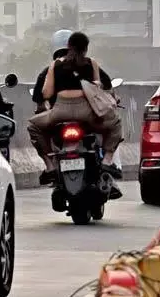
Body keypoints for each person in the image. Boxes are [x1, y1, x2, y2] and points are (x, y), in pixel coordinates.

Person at [27, 31, 124, 187]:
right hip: (87, 115)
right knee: (116, 123)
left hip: (60, 113)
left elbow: (46, 93)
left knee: (33, 126)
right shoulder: (91, 63)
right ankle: (107, 160)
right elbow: (99, 89)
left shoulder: (55, 65)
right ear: (86, 48)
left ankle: (50, 165)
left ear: (68, 46)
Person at [33, 29, 114, 112]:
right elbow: (105, 84)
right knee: (114, 122)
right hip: (87, 113)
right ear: (84, 48)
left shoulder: (53, 66)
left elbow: (42, 94)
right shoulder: (91, 63)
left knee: (33, 124)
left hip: (59, 114)